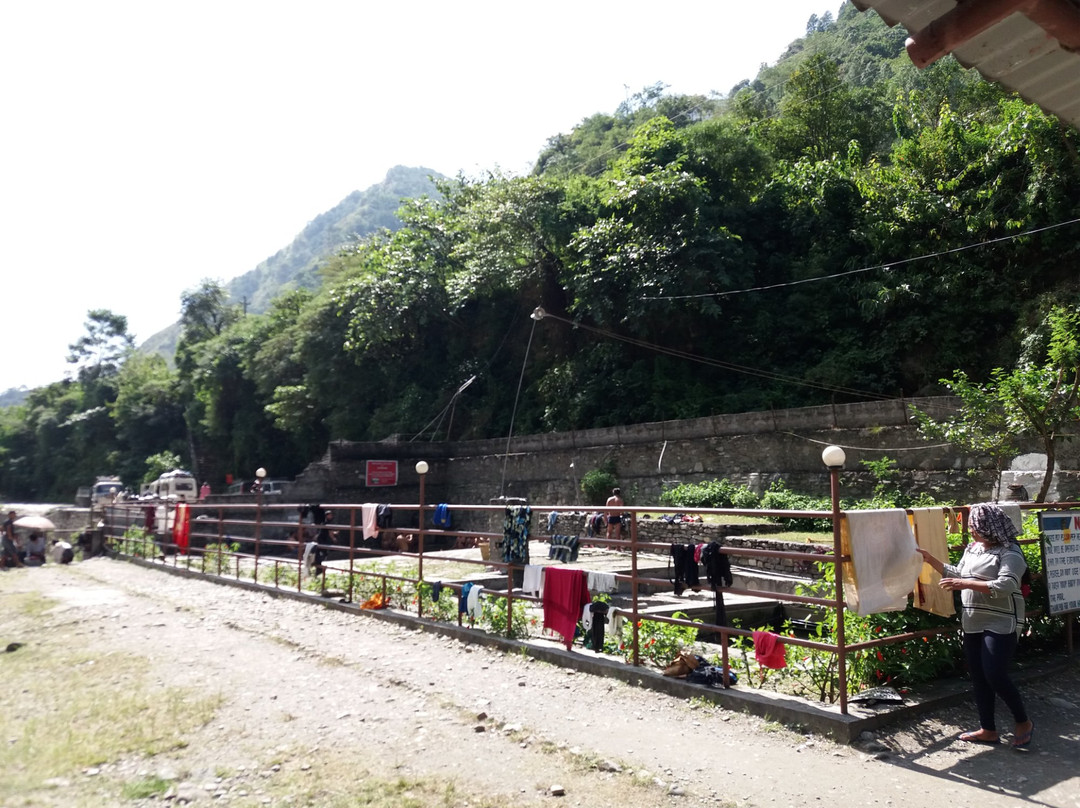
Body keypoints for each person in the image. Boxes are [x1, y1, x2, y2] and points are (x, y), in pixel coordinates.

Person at [918, 502, 1034, 749]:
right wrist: (930, 560)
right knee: (979, 676)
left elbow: (1006, 586)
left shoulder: (1010, 552)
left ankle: (1023, 721)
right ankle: (988, 729)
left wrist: (966, 584)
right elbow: (958, 573)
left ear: (989, 527)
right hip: (973, 620)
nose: (971, 532)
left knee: (995, 673)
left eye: (975, 528)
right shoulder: (973, 549)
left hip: (1001, 620)